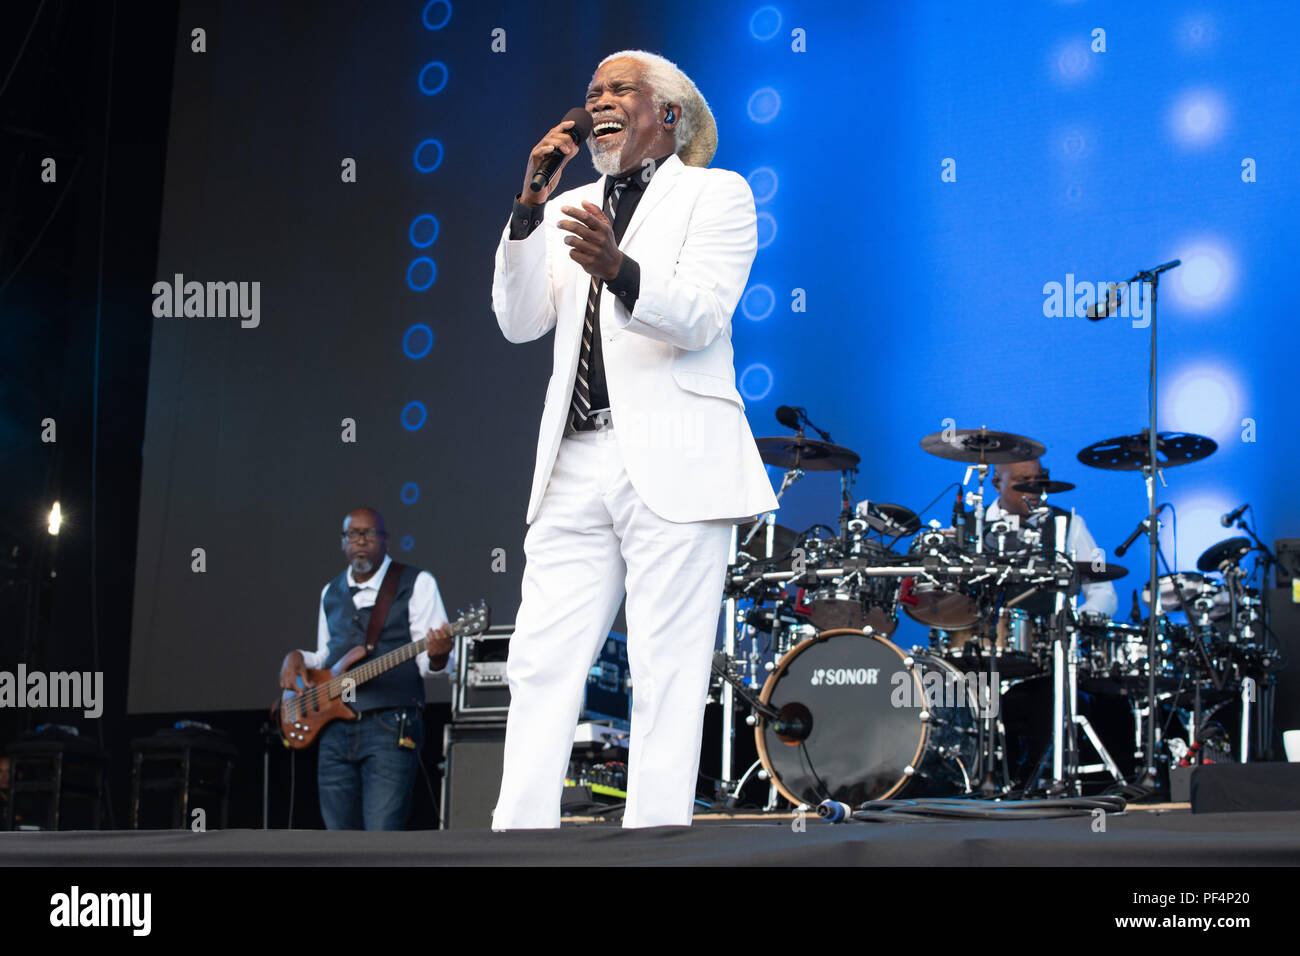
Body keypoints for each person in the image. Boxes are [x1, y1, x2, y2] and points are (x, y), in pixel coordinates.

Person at [489, 50, 776, 829]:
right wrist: (526, 207)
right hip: (575, 458)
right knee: (539, 662)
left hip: (677, 456)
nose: (600, 102)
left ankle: (653, 841)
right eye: (592, 93)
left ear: (670, 115)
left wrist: (620, 269)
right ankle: (517, 840)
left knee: (665, 670)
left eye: (622, 89)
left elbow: (702, 316)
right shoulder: (565, 206)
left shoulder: (717, 194)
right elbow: (519, 322)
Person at [278, 507, 454, 830]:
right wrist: (294, 657)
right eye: (352, 534)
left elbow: (433, 668)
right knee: (338, 842)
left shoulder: (417, 583)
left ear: (385, 540)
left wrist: (440, 655)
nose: (360, 541)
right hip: (334, 731)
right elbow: (326, 656)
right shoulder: (329, 593)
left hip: (390, 724)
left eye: (369, 533)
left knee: (382, 839)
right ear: (342, 543)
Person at [987, 459, 1118, 619]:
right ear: (997, 484)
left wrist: (1074, 622)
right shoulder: (970, 525)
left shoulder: (1069, 523)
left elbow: (1103, 591)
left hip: (1046, 637)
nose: (1033, 487)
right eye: (1023, 480)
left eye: (1039, 480)